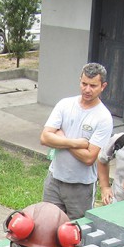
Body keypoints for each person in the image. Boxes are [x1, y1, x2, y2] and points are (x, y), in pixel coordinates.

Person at [39, 62, 114, 220]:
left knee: (76, 233)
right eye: (84, 83)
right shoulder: (65, 104)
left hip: (81, 186)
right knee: (47, 224)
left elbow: (89, 158)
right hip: (54, 179)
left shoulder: (103, 117)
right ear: (80, 80)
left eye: (93, 86)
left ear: (103, 86)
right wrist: (78, 143)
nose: (87, 89)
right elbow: (45, 137)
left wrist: (60, 138)